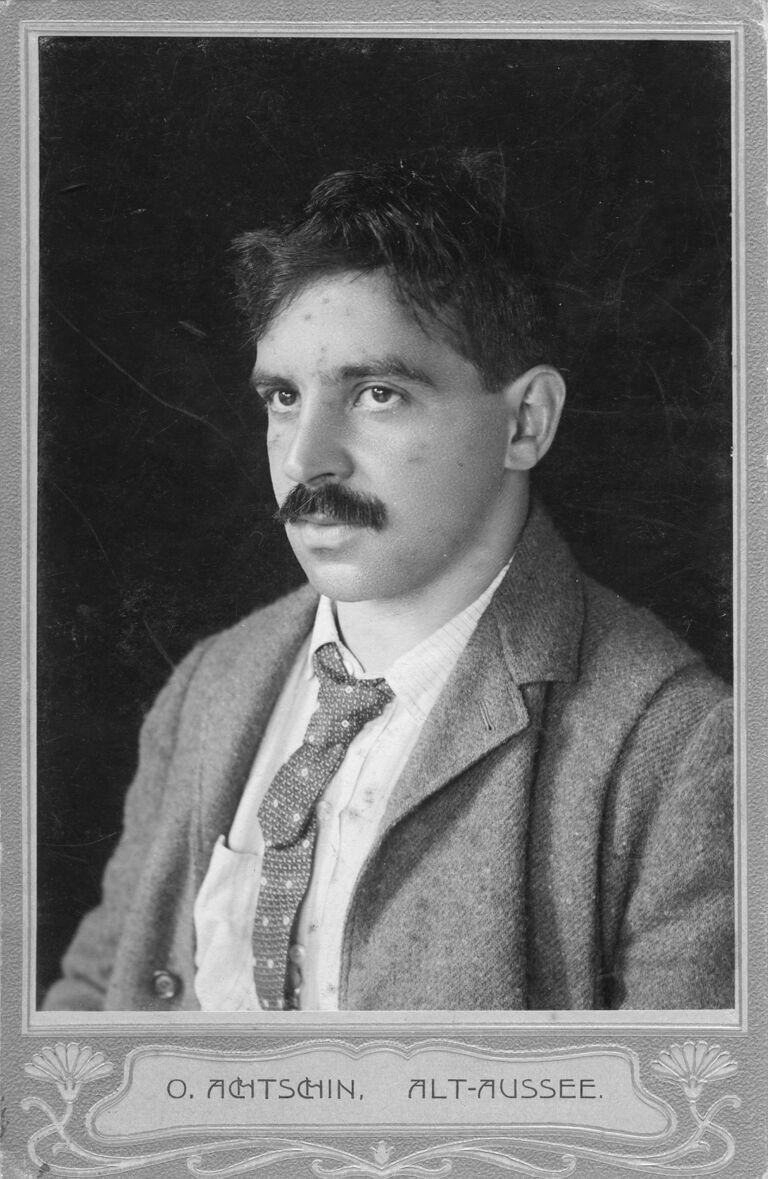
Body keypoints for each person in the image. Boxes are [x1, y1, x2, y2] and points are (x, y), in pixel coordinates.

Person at [43, 153, 733, 1013]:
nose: (306, 459)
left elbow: (680, 1093)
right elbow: (89, 1003)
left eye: (376, 393)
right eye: (283, 397)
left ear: (525, 423)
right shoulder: (209, 684)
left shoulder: (682, 749)